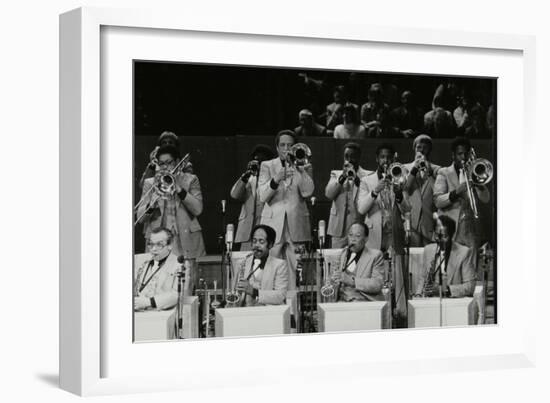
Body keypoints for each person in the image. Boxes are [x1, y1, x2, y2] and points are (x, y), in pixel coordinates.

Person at [357, 143, 411, 326]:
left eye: (388, 157)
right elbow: (361, 208)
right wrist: (375, 190)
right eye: (382, 157)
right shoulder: (367, 180)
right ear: (376, 159)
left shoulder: (399, 176)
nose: (385, 161)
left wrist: (399, 194)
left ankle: (399, 314)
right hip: (374, 235)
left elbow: (407, 209)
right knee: (374, 275)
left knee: (396, 277)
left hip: (393, 233)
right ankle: (373, 313)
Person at [258, 130, 314, 289]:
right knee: (270, 268)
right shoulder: (267, 166)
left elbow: (308, 192)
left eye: (290, 145)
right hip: (272, 225)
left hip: (296, 225)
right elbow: (262, 196)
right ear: (277, 148)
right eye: (282, 145)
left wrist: (301, 170)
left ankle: (293, 312)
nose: (286, 148)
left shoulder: (304, 165)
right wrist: (277, 178)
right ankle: (271, 307)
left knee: (295, 271)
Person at [136, 145, 206, 259]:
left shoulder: (191, 179)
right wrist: (151, 205)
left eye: (169, 162)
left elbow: (198, 209)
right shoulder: (150, 183)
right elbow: (140, 218)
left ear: (177, 162)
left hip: (185, 238)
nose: (165, 167)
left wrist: (179, 189)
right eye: (161, 163)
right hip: (158, 239)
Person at [433, 137, 490, 251]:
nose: (463, 157)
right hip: (450, 230)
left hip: (470, 231)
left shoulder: (474, 173)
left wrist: (478, 182)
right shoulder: (444, 173)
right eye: (460, 154)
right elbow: (438, 201)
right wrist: (457, 192)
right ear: (453, 155)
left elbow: (486, 199)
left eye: (466, 154)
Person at [414, 215, 476, 298]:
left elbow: (470, 286)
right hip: (429, 301)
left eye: (443, 236)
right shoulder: (428, 250)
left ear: (452, 236)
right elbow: (423, 278)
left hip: (452, 302)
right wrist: (418, 295)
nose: (438, 239)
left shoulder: (464, 252)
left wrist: (446, 290)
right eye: (436, 235)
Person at [134, 227, 193, 311]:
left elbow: (177, 294)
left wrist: (149, 302)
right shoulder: (139, 259)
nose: (153, 249)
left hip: (162, 314)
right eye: (151, 244)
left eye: (159, 245)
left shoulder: (180, 265)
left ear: (170, 245)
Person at [325, 142, 372, 247]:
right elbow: (329, 194)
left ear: (359, 158)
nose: (349, 160)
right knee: (336, 259)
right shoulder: (336, 174)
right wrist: (342, 177)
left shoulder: (368, 175)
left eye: (353, 157)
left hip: (359, 225)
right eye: (346, 156)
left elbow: (368, 198)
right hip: (338, 228)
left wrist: (357, 180)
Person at [230, 144, 275, 250]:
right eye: (256, 161)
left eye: (262, 162)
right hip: (248, 231)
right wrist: (246, 176)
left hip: (267, 228)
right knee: (246, 263)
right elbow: (234, 194)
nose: (259, 165)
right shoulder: (249, 179)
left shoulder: (274, 180)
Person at [234, 225, 289, 306]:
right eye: (254, 241)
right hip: (246, 312)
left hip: (269, 314)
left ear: (270, 245)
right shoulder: (242, 263)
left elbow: (280, 296)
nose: (257, 245)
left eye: (261, 242)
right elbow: (235, 293)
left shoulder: (280, 265)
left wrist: (254, 292)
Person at [403, 134, 442, 246]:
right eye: (419, 147)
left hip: (429, 223)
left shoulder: (437, 170)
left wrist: (429, 174)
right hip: (411, 223)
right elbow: (404, 188)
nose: (422, 150)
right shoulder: (405, 168)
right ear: (414, 149)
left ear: (430, 150)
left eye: (425, 147)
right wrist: (414, 169)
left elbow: (438, 193)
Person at [331, 223, 386, 302]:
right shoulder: (343, 253)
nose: (353, 239)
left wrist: (352, 281)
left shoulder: (375, 255)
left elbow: (377, 284)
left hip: (364, 302)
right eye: (350, 235)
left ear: (366, 239)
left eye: (357, 236)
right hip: (342, 301)